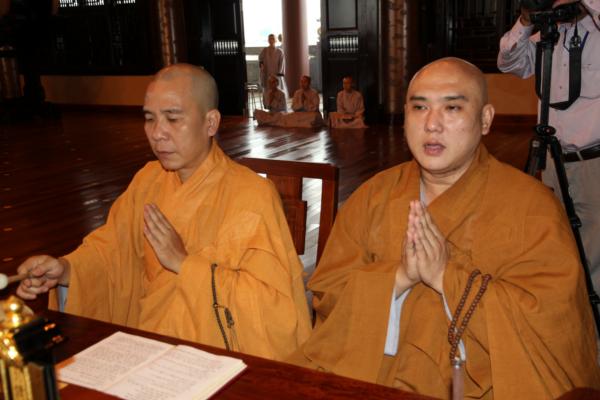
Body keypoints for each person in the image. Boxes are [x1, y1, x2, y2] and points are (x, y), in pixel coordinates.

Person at [287, 57, 600, 398]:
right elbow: (328, 295)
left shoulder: (534, 209)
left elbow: (552, 328)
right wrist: (399, 277)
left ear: (485, 119)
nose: (432, 124)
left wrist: (445, 277)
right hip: (372, 379)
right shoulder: (373, 196)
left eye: (452, 108)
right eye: (419, 107)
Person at [16, 64, 312, 361]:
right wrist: (66, 269)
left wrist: (184, 264)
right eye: (149, 119)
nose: (157, 133)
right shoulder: (148, 181)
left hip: (216, 360)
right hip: (148, 346)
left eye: (172, 118)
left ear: (210, 123)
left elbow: (275, 311)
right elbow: (112, 252)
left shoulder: (252, 196)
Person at [497, 0, 600, 312]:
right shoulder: (547, 37)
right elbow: (508, 62)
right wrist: (526, 19)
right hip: (553, 162)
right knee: (556, 250)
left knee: (595, 260)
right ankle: (565, 325)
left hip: (594, 164)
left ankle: (594, 334)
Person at [259, 33, 287, 106]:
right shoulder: (264, 50)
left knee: (277, 90)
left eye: (273, 38)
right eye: (270, 39)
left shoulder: (280, 51)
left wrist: (278, 74)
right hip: (267, 74)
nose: (271, 40)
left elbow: (282, 63)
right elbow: (260, 60)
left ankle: (278, 105)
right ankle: (268, 105)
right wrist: (262, 66)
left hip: (276, 75)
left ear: (275, 40)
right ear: (268, 40)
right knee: (267, 90)